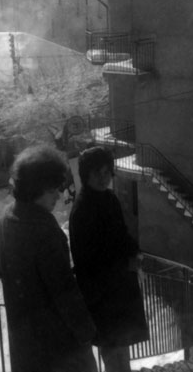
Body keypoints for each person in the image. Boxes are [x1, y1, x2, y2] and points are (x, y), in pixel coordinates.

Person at [0, 145, 98, 372]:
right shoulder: (42, 228)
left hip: (24, 338)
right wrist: (85, 330)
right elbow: (63, 289)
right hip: (58, 345)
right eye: (52, 191)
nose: (58, 196)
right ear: (35, 189)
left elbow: (3, 269)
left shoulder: (6, 219)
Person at [69, 146, 149, 372]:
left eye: (107, 172)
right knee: (113, 350)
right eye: (98, 172)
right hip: (102, 296)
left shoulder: (109, 198)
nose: (104, 178)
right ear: (86, 174)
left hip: (119, 290)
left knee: (121, 348)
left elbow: (122, 234)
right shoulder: (82, 209)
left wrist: (135, 251)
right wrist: (125, 264)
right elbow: (88, 260)